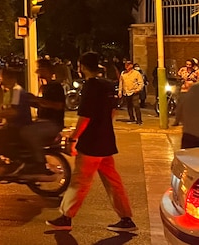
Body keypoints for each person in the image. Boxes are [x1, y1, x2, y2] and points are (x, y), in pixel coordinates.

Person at [47, 51, 137, 233]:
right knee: (113, 181)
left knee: (79, 181)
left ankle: (66, 217)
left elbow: (85, 117)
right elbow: (113, 112)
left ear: (82, 67)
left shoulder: (90, 87)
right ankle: (126, 218)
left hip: (91, 144)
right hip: (106, 141)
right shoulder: (107, 85)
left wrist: (73, 138)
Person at [20, 59, 65, 176]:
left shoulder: (56, 86)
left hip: (52, 124)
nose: (36, 72)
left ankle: (40, 163)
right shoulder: (43, 87)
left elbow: (58, 105)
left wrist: (37, 100)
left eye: (39, 69)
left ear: (46, 70)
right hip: (42, 122)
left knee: (27, 132)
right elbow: (41, 104)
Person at [118, 60, 144, 125]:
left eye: (128, 65)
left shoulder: (136, 73)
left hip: (134, 92)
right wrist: (120, 91)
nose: (127, 66)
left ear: (131, 65)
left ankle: (139, 120)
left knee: (136, 106)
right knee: (129, 106)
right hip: (126, 92)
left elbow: (141, 83)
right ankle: (131, 118)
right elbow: (121, 82)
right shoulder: (123, 73)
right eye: (126, 65)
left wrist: (137, 89)